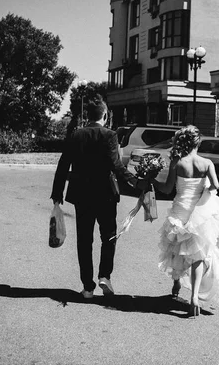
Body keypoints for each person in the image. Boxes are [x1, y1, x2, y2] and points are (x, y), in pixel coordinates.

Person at [51, 100, 148, 299]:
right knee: (109, 237)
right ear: (105, 116)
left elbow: (63, 166)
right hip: (105, 196)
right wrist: (136, 182)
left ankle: (87, 287)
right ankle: (105, 276)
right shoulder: (110, 135)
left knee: (84, 241)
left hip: (82, 196)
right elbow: (116, 166)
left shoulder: (76, 135)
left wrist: (57, 195)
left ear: (88, 116)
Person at [152, 125, 219, 317]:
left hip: (180, 211)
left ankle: (176, 282)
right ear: (198, 142)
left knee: (176, 249)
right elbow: (215, 185)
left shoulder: (177, 163)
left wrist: (152, 180)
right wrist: (204, 191)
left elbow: (166, 189)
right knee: (198, 256)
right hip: (198, 214)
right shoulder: (206, 164)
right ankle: (195, 296)